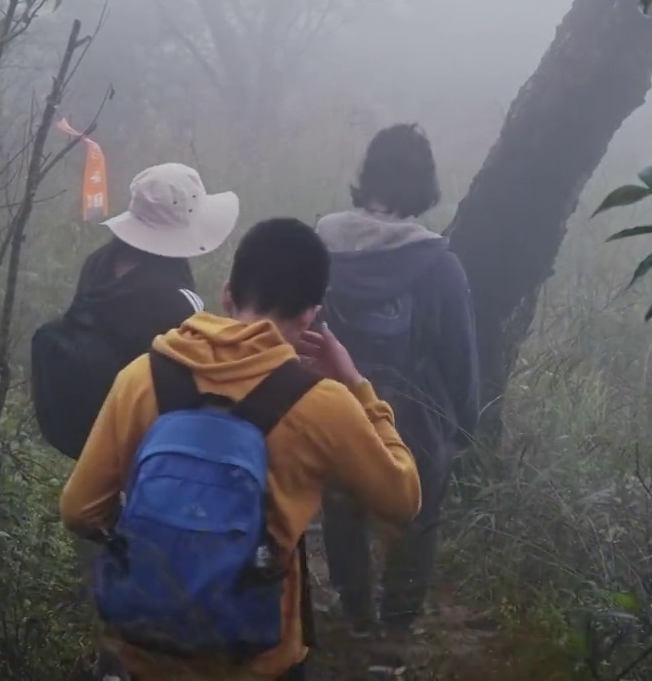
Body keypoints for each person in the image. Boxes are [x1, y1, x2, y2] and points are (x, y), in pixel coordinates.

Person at [60, 217, 423, 681]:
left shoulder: (141, 377)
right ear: (311, 315)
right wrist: (357, 385)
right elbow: (403, 498)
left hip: (146, 654)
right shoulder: (323, 403)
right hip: (258, 660)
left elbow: (79, 509)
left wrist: (154, 543)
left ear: (228, 293)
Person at [29, 162, 239, 681]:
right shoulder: (177, 301)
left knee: (110, 595)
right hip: (148, 470)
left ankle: (112, 667)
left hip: (94, 456)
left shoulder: (98, 267)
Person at [314, 123, 480, 675]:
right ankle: (393, 640)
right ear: (424, 187)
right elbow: (460, 355)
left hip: (336, 409)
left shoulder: (320, 247)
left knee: (341, 508)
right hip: (414, 416)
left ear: (367, 178)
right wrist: (465, 427)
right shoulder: (437, 264)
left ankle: (355, 613)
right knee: (417, 518)